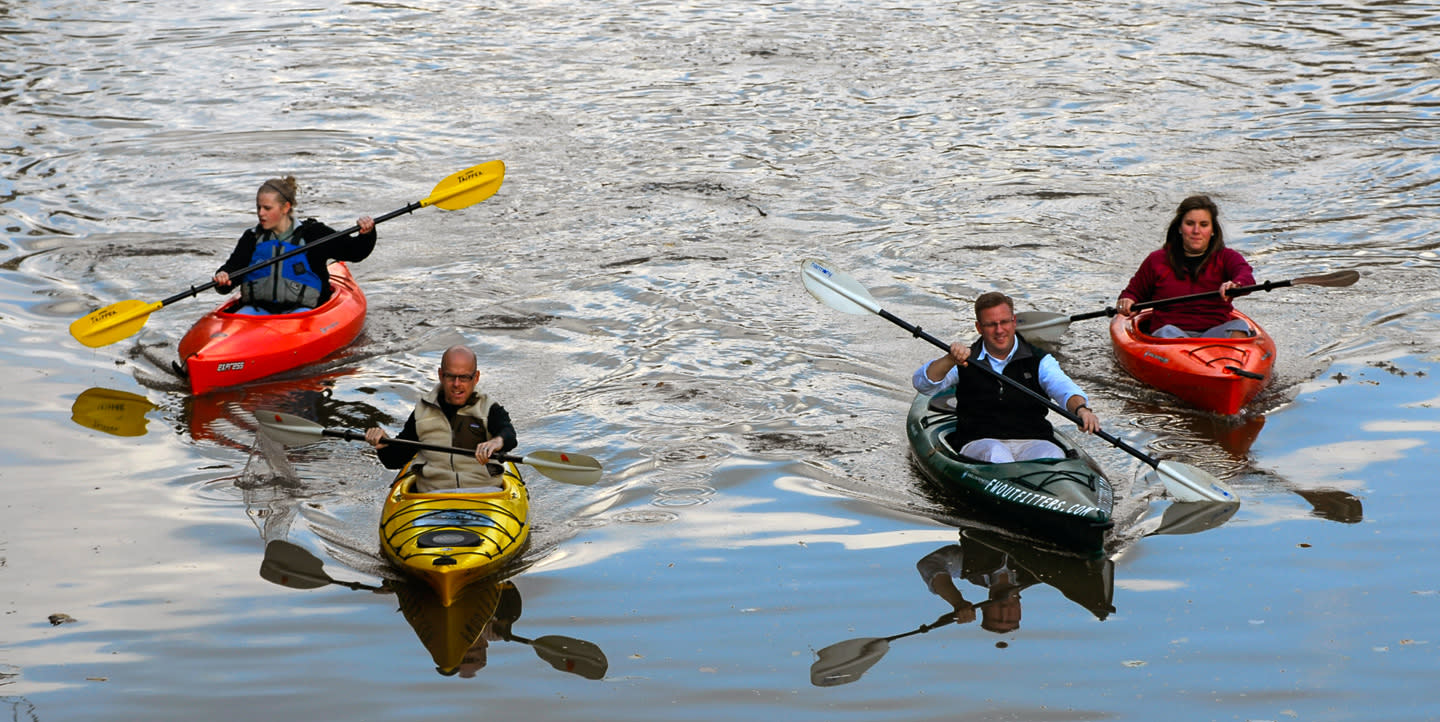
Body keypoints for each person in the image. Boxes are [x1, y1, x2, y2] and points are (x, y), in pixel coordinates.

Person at [912, 291, 1100, 463]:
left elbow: (1065, 390)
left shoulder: (1040, 361)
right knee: (996, 454)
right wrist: (949, 359)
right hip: (980, 442)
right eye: (991, 324)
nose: (999, 330)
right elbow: (923, 385)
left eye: (1004, 322)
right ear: (979, 327)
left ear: (1014, 321)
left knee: (1051, 456)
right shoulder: (966, 359)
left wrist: (1082, 410)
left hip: (1034, 441)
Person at [213, 176, 377, 315]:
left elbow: (355, 252)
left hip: (304, 312)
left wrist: (367, 233)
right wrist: (223, 278)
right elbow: (233, 269)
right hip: (257, 311)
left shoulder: (314, 234)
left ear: (286, 208)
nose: (261, 213)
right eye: (259, 207)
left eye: (267, 208)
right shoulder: (251, 237)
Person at [364, 345, 517, 492]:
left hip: (484, 492)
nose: (456, 384)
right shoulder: (422, 412)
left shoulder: (489, 409)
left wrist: (497, 441)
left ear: (475, 378)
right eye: (450, 376)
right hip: (433, 495)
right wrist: (383, 443)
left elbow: (509, 436)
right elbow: (394, 461)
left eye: (464, 377)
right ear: (440, 375)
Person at [1116, 194, 1256, 338]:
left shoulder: (1227, 257)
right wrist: (1127, 301)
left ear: (1213, 230)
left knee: (1240, 327)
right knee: (1167, 331)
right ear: (1179, 228)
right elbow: (1133, 293)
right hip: (1171, 338)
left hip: (1215, 334)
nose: (1196, 231)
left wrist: (1236, 285)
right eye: (1190, 224)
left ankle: (1229, 359)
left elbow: (1246, 276)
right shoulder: (1156, 260)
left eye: (1204, 224)